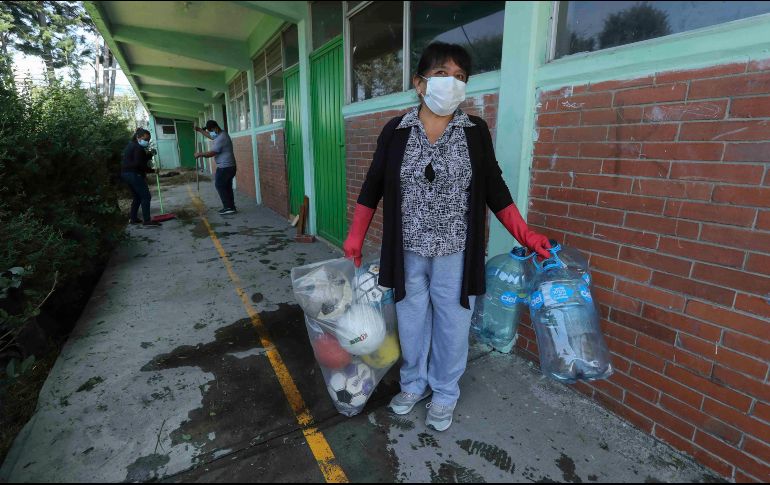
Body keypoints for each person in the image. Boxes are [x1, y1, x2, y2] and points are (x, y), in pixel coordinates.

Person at [343, 42, 551, 432]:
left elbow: (495, 188)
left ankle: (444, 391)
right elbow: (372, 186)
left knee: (453, 324)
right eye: (441, 74)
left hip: (456, 250)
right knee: (411, 321)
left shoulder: (475, 131)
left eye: (460, 76)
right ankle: (413, 383)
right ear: (419, 83)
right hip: (407, 250)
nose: (451, 83)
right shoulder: (395, 131)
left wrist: (526, 234)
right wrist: (356, 235)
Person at [194, 120, 237, 215]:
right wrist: (200, 130)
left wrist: (199, 154)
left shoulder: (222, 137)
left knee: (220, 185)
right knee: (227, 187)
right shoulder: (219, 134)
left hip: (225, 168)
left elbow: (211, 153)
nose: (211, 133)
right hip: (229, 166)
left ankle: (228, 207)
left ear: (215, 128)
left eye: (211, 131)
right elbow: (210, 136)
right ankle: (231, 207)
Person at [121, 128, 160, 226]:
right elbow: (139, 164)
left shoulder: (131, 145)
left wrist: (149, 155)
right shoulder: (138, 148)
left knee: (137, 197)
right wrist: (152, 170)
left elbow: (137, 160)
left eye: (148, 140)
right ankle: (147, 220)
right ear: (138, 137)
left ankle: (133, 219)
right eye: (145, 139)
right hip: (134, 174)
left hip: (125, 174)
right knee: (146, 196)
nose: (147, 141)